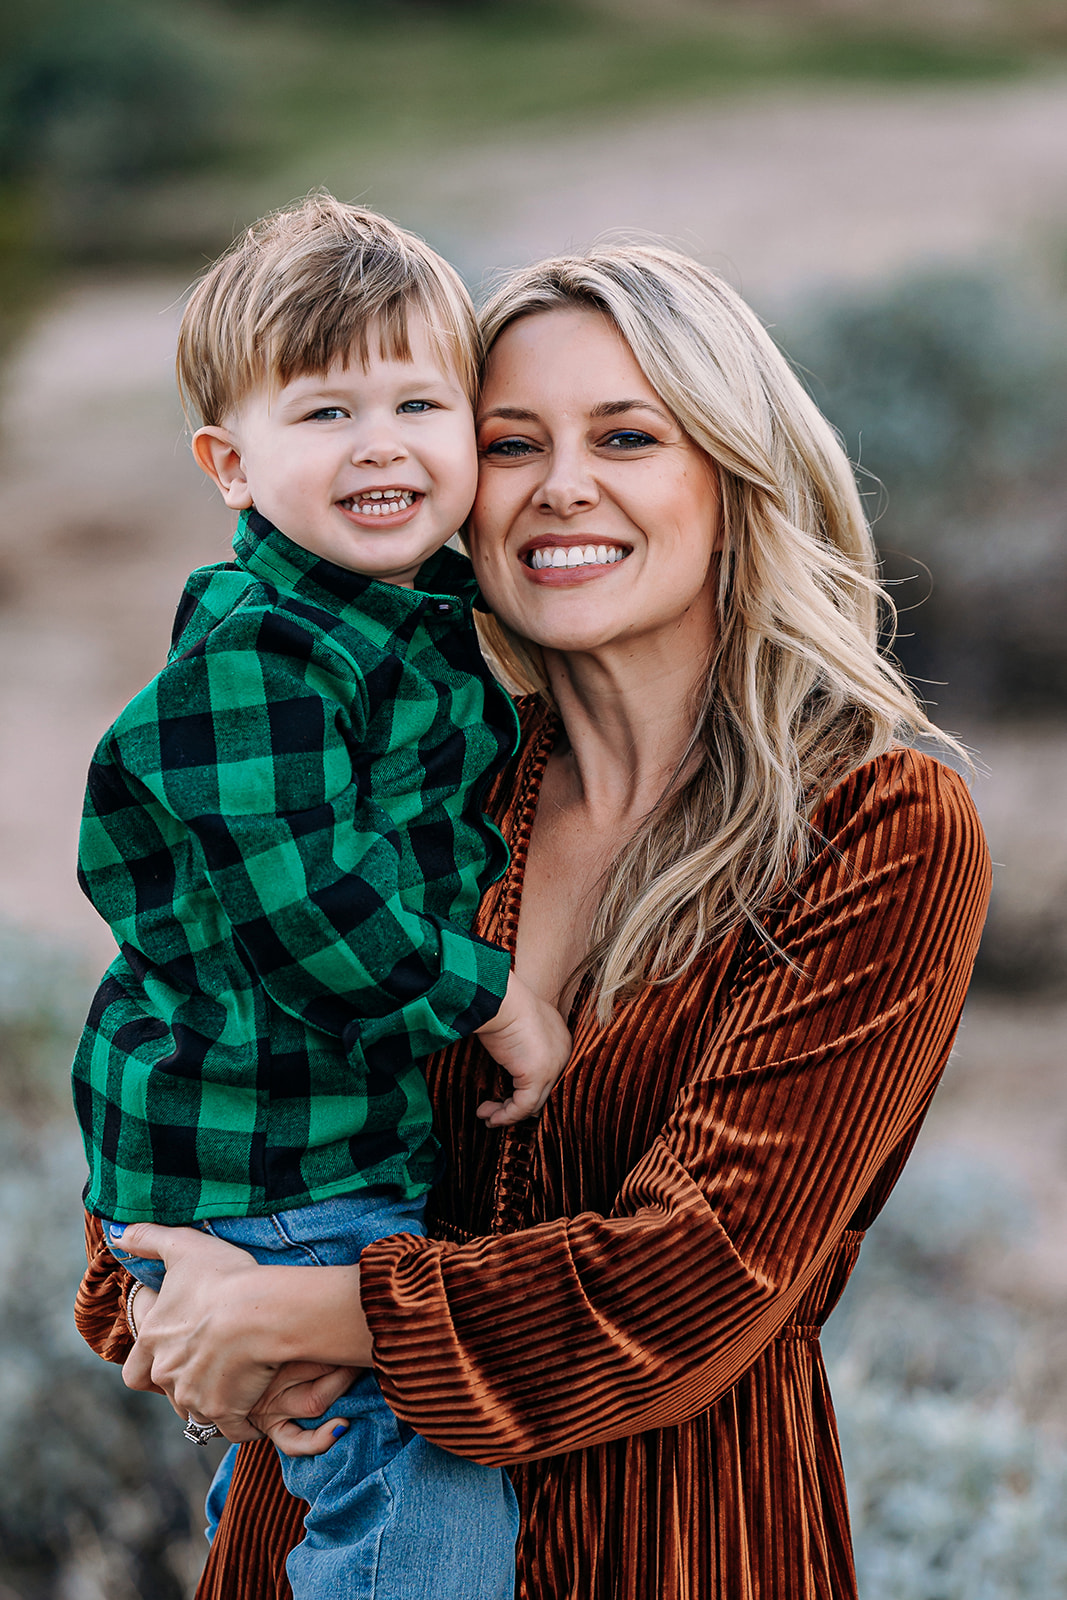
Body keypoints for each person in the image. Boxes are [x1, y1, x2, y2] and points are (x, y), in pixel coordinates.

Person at [76, 241, 992, 1600]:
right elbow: (190, 1046)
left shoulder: (874, 827)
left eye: (627, 435)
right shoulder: (427, 779)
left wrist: (294, 1314)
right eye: (514, 441)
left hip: (677, 1547)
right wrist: (152, 1296)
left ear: (735, 478)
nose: (563, 485)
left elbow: (703, 1278)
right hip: (320, 1543)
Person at [71, 194, 573, 1600]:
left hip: (294, 1153)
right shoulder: (259, 666)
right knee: (417, 1463)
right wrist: (502, 1001)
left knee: (299, 1474)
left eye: (423, 402)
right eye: (325, 414)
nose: (382, 444)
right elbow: (312, 919)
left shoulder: (403, 617)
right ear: (230, 464)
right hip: (268, 1169)